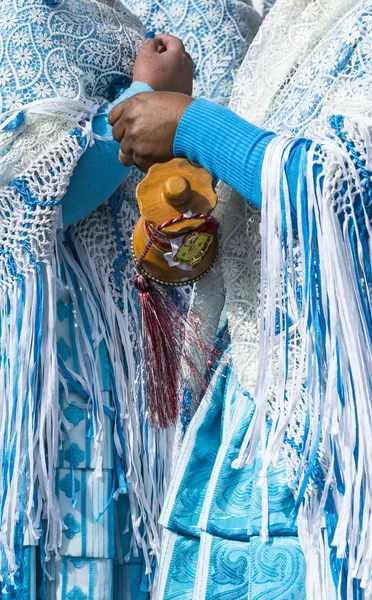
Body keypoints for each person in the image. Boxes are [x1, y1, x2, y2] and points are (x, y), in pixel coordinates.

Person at [109, 0, 372, 598]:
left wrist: (190, 122)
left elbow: (350, 187)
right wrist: (180, 208)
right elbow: (244, 224)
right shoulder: (286, 27)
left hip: (342, 436)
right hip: (247, 403)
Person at [0, 1, 260, 598]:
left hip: (170, 357)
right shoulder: (29, 12)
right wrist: (147, 94)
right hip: (71, 371)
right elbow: (35, 196)